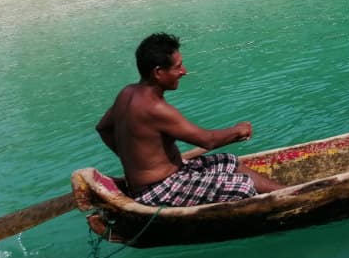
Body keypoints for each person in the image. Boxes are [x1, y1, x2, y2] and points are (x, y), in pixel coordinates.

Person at [96, 33, 284, 206]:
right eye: (178, 67)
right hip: (158, 190)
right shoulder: (155, 108)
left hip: (170, 175)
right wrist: (238, 130)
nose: (184, 71)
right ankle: (279, 207)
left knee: (229, 161)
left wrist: (134, 162)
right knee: (243, 186)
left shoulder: (126, 93)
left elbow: (103, 128)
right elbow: (207, 140)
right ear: (158, 72)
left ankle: (285, 193)